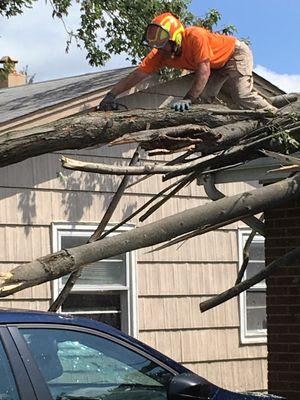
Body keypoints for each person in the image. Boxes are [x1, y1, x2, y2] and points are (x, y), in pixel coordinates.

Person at [98, 12, 277, 112]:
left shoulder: (194, 36)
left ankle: (278, 117)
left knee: (241, 94)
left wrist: (188, 99)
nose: (162, 50)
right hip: (215, 65)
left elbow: (204, 72)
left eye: (164, 44)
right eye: (158, 46)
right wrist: (111, 95)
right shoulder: (161, 53)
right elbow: (138, 75)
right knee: (203, 100)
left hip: (233, 54)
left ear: (175, 38)